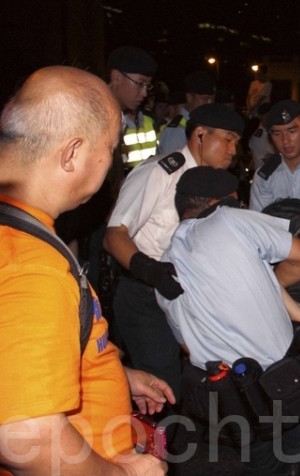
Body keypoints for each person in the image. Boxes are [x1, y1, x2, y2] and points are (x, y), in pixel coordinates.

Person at [0, 66, 174, 475]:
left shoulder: (2, 225)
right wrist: (122, 473)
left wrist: (111, 374)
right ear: (72, 153)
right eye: (109, 149)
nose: (110, 164)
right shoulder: (28, 264)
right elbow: (25, 438)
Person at [157, 166, 300, 474]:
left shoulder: (163, 269)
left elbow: (186, 345)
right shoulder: (230, 220)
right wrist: (270, 285)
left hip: (232, 402)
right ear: (227, 200)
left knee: (262, 465)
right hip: (285, 381)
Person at [104, 103, 244, 399]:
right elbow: (115, 235)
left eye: (237, 142)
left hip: (188, 293)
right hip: (145, 292)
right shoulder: (161, 173)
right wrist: (151, 271)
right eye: (228, 139)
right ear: (201, 135)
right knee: (163, 384)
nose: (233, 149)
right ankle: (165, 443)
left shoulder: (216, 183)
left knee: (204, 374)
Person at [106, 45, 159, 171]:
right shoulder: (94, 116)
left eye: (148, 86)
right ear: (117, 77)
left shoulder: (117, 116)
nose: (144, 93)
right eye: (140, 84)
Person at [157, 70, 216, 155]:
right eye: (204, 99)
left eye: (212, 99)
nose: (209, 103)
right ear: (189, 98)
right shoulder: (177, 131)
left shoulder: (204, 124)